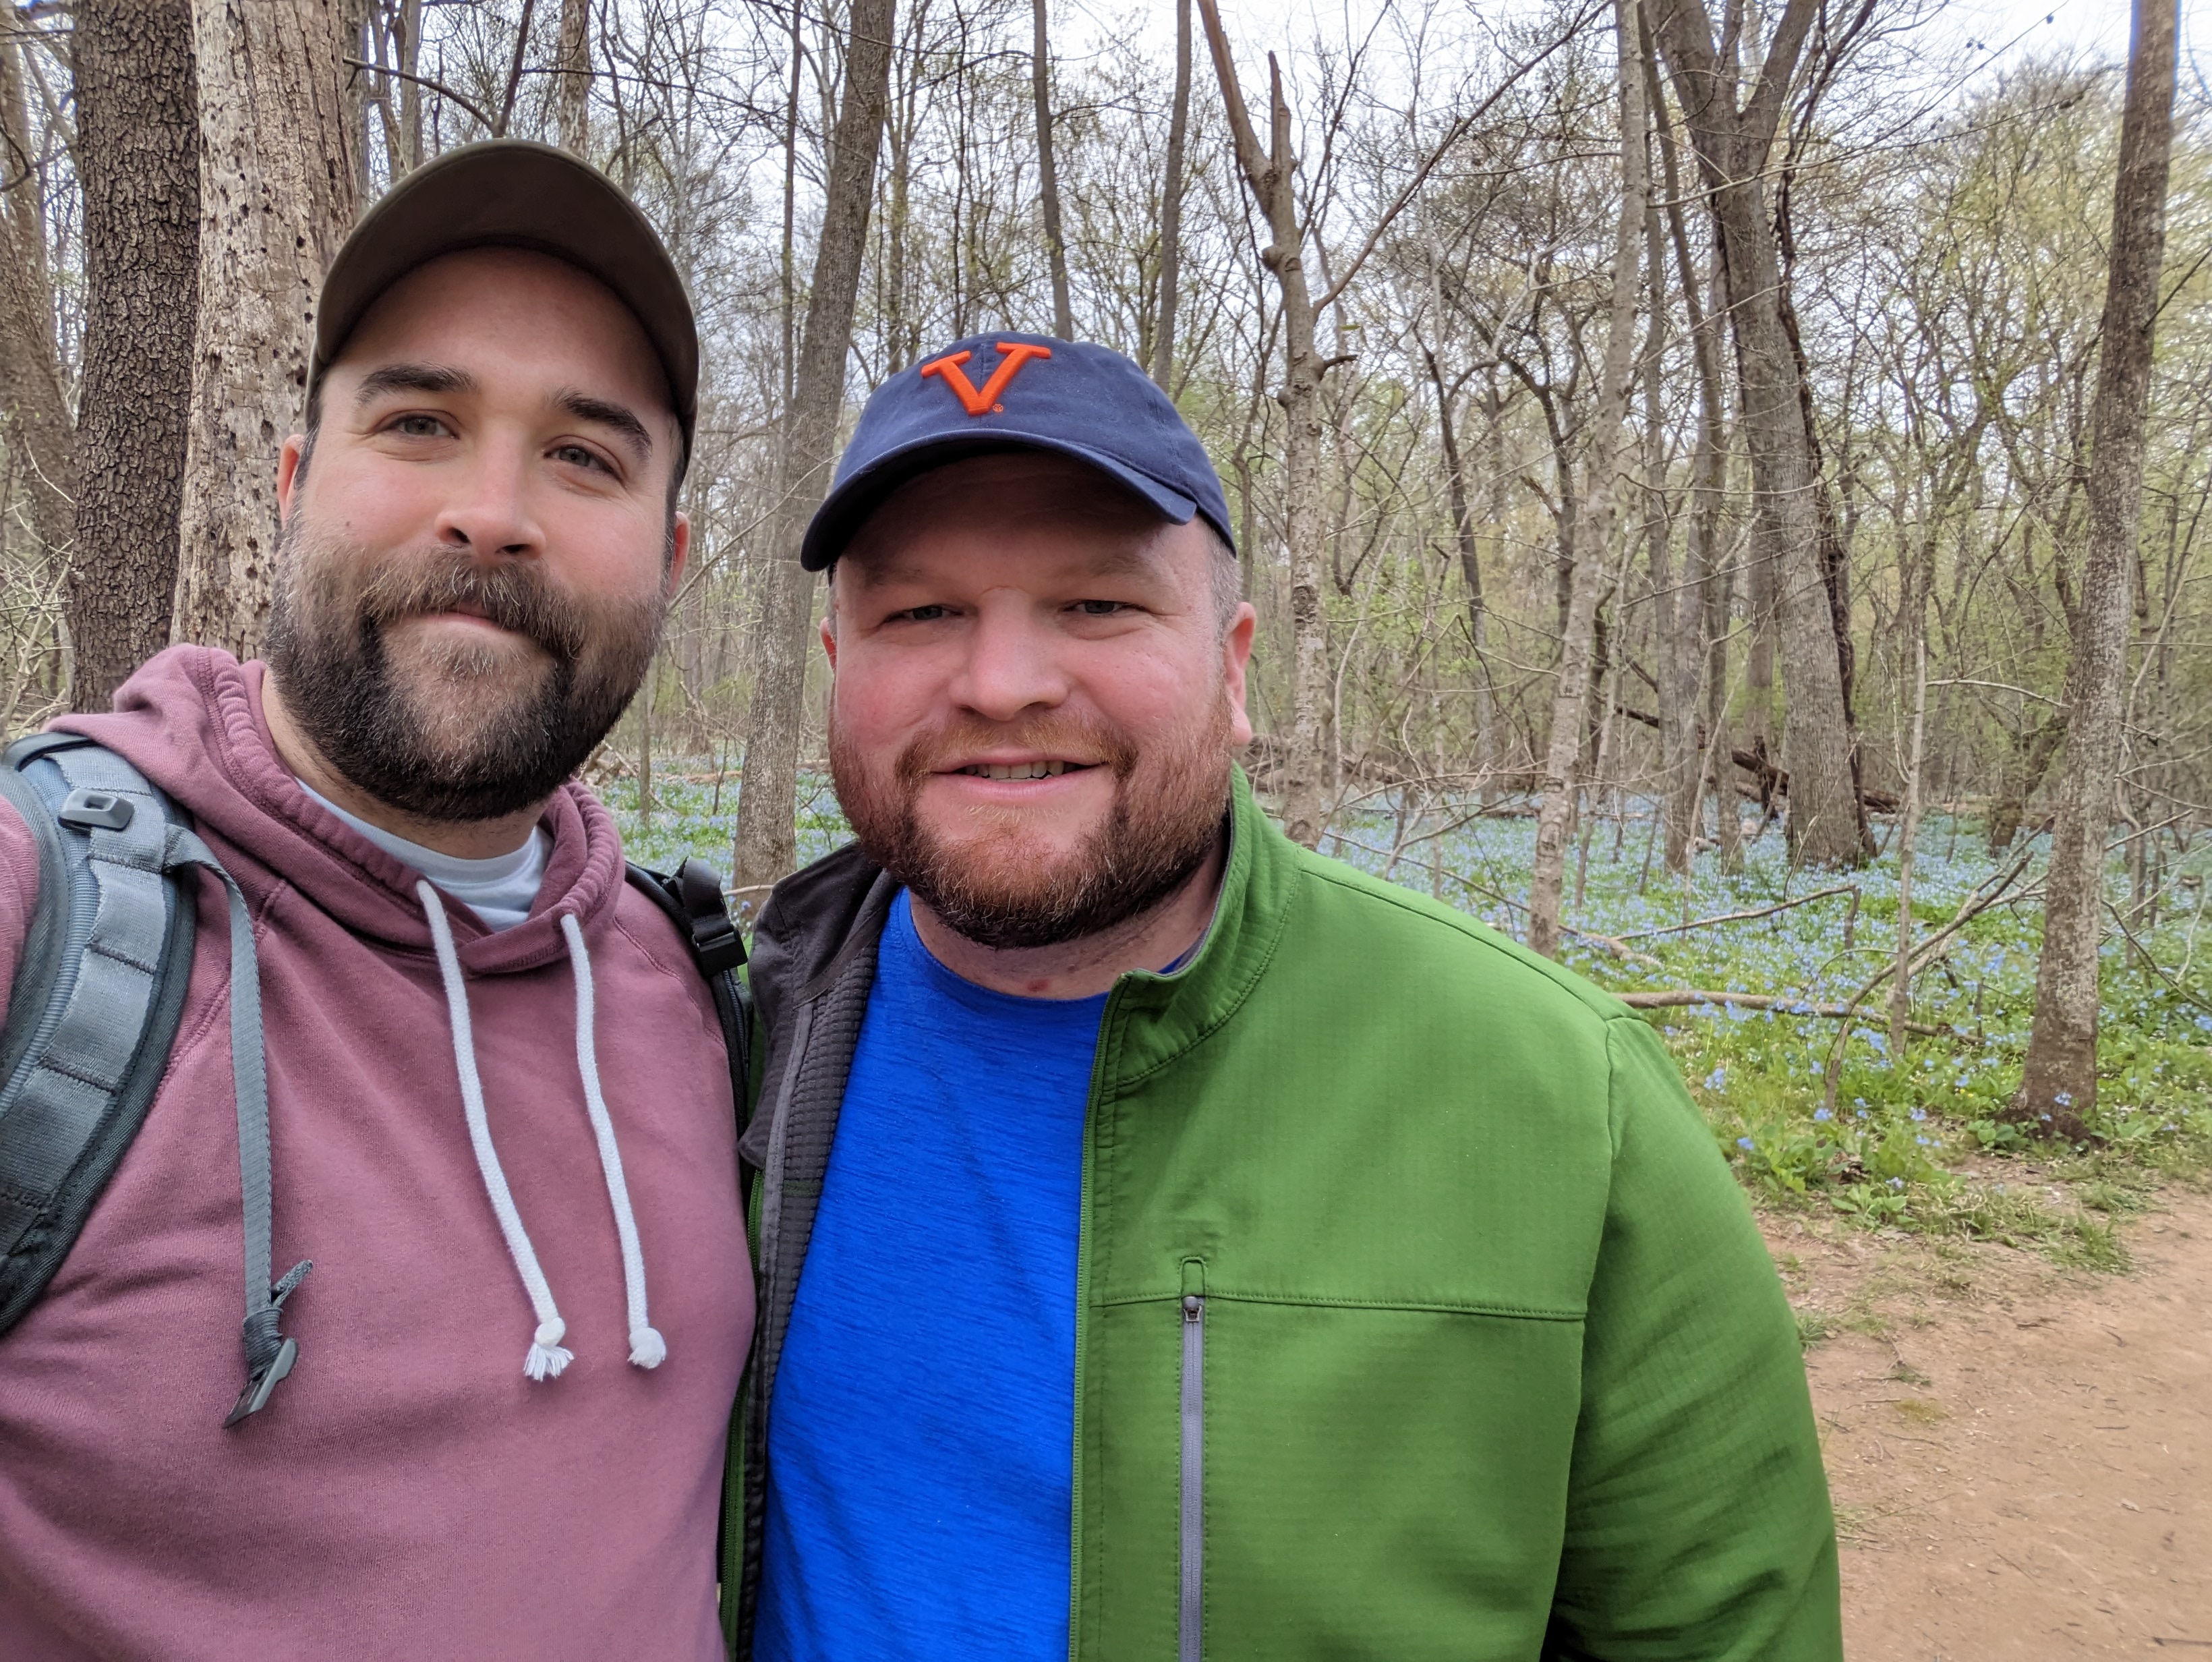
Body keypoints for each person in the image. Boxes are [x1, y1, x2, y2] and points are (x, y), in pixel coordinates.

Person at [723, 334, 1842, 1660]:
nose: (1002, 681)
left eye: (1097, 604)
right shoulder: (721, 1045)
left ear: (1235, 666)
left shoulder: (1557, 1096)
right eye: (919, 614)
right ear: (836, 664)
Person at [0, 142, 751, 1658]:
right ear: (293, 485)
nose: (491, 512)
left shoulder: (692, 982)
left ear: (670, 561)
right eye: (419, 423)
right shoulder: (48, 913)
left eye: (584, 457)